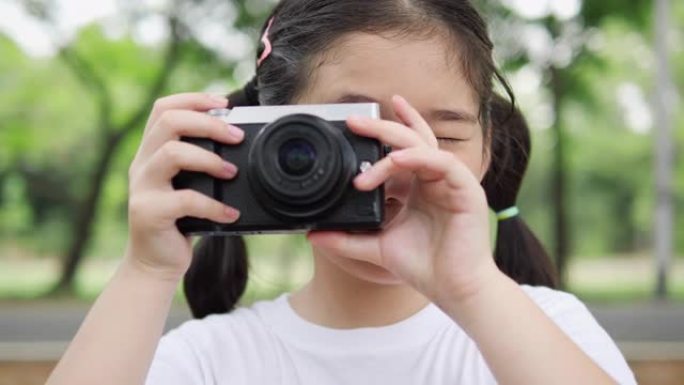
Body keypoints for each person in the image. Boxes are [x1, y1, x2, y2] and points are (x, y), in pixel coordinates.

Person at [46, 1, 637, 384]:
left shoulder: (546, 331)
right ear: (262, 142)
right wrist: (146, 270)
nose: (399, 164)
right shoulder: (207, 361)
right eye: (353, 129)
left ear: (487, 150)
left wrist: (471, 286)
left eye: (443, 135)